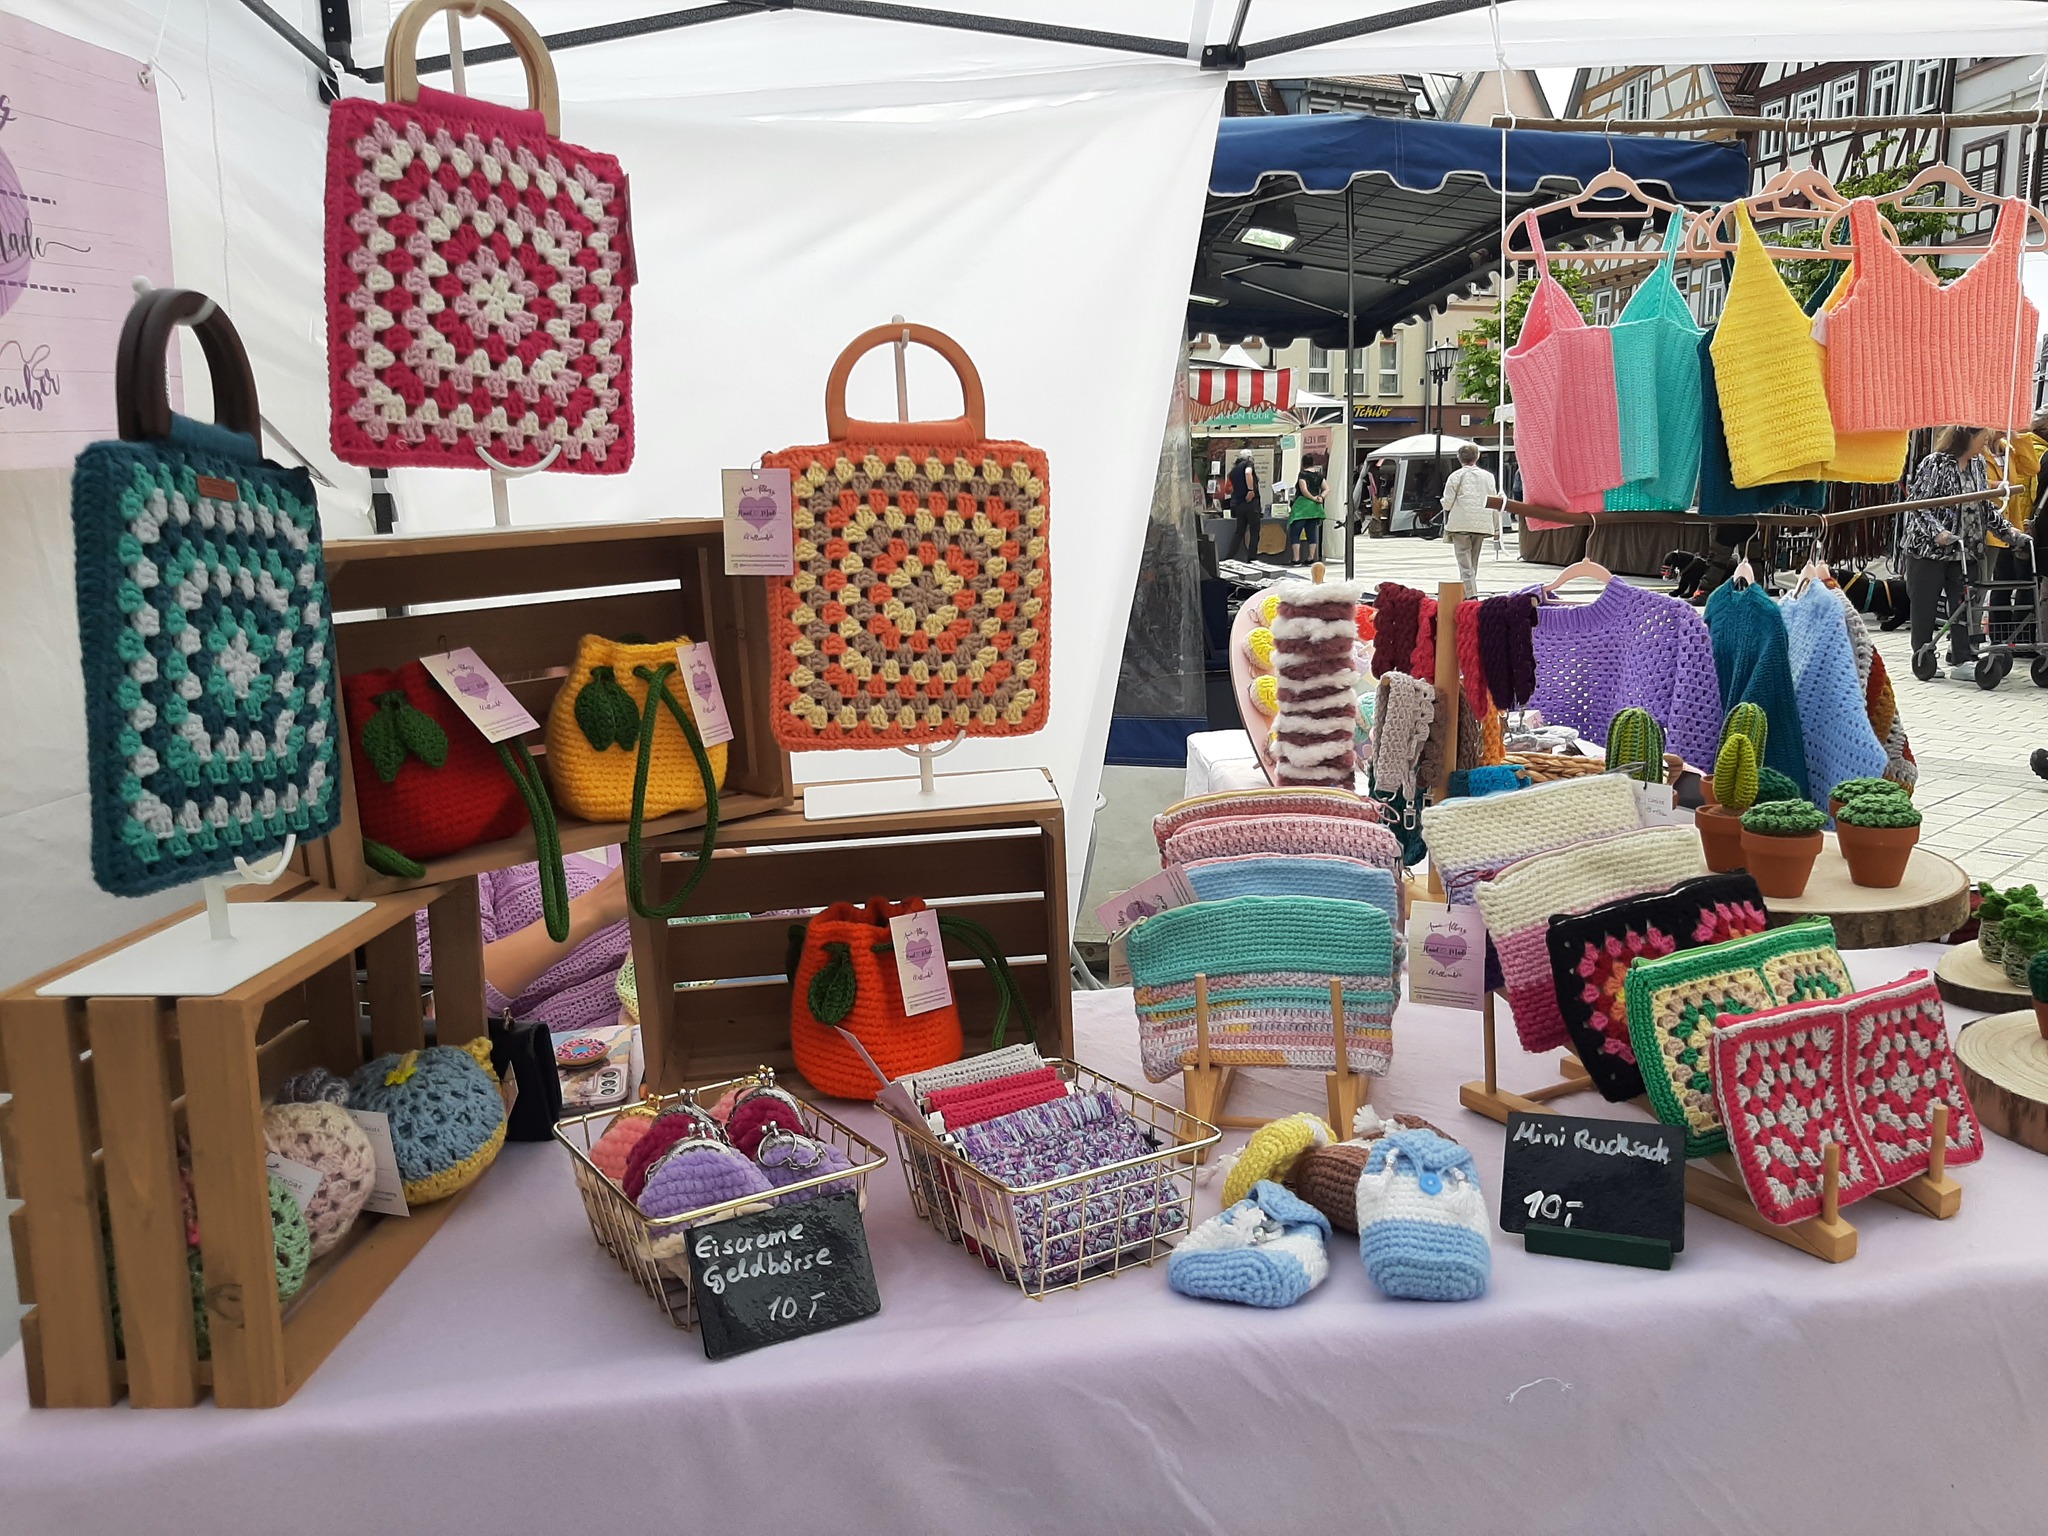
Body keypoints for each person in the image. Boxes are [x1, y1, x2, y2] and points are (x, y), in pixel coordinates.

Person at [417, 852, 632, 1030]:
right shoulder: (467, 848)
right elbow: (441, 1001)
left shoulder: (647, 817)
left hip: (653, 1041)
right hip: (557, 1062)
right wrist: (594, 907)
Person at [1901, 424, 2000, 672]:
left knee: (1963, 603)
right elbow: (1917, 503)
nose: (1985, 444)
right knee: (1924, 604)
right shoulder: (1934, 463)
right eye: (1982, 439)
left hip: (1964, 551)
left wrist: (2009, 533)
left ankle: (1962, 657)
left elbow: (1984, 507)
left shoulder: (1977, 465)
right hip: (1928, 551)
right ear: (1968, 437)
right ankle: (1924, 655)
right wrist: (1938, 533)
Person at [1439, 443, 1501, 596]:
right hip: (1482, 523)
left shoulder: (1455, 476)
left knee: (1464, 563)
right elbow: (1494, 501)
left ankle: (1471, 595)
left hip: (1460, 523)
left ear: (1459, 458)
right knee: (1473, 562)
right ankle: (1469, 592)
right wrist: (1497, 527)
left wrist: (1442, 502)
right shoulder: (1488, 477)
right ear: (1477, 457)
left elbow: (1447, 503)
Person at [1287, 456, 1326, 563]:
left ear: (1303, 463)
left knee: (1295, 532)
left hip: (1302, 506)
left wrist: (1312, 497)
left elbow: (1303, 490)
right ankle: (1311, 557)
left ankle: (1296, 558)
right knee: (1311, 532)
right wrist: (1320, 497)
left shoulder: (1302, 475)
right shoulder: (1319, 476)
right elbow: (1327, 488)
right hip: (1314, 508)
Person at [1225, 448, 1262, 561]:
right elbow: (1248, 473)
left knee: (1239, 532)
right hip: (1251, 503)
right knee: (1254, 531)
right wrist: (1250, 490)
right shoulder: (1248, 464)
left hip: (1239, 503)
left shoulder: (1233, 470)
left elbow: (1230, 488)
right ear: (1249, 457)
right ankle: (1252, 557)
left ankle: (1230, 556)